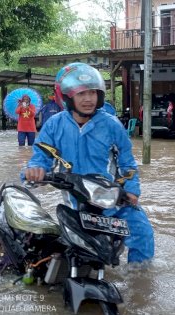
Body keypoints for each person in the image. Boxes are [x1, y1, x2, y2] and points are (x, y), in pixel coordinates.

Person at [23, 62, 154, 263]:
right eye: (81, 94)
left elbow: (127, 163)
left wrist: (132, 189)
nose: (88, 99)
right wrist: (35, 169)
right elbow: (41, 157)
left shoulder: (111, 125)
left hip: (111, 199)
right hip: (76, 200)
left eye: (92, 93)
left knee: (141, 232)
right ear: (67, 96)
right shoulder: (53, 125)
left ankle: (138, 279)